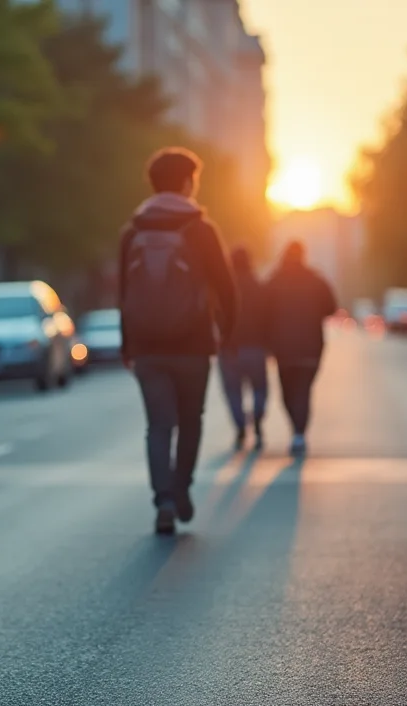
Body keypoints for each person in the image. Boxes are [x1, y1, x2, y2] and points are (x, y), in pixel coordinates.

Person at [118, 147, 237, 536]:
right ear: (187, 182)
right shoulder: (200, 229)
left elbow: (122, 291)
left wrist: (127, 344)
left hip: (147, 348)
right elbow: (226, 287)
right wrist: (226, 331)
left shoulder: (133, 230)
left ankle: (163, 500)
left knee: (158, 426)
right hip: (193, 345)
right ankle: (182, 488)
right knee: (190, 420)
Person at [259, 240, 337, 457]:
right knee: (303, 391)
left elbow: (261, 311)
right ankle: (299, 433)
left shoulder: (274, 281)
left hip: (282, 349)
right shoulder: (316, 280)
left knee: (288, 392)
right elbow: (331, 307)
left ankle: (297, 430)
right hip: (311, 348)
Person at [217, 247, 271, 451]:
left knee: (232, 391)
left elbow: (215, 316)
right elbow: (269, 316)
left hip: (229, 349)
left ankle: (240, 426)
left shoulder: (222, 288)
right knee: (260, 388)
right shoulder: (260, 287)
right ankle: (257, 417)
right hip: (256, 347)